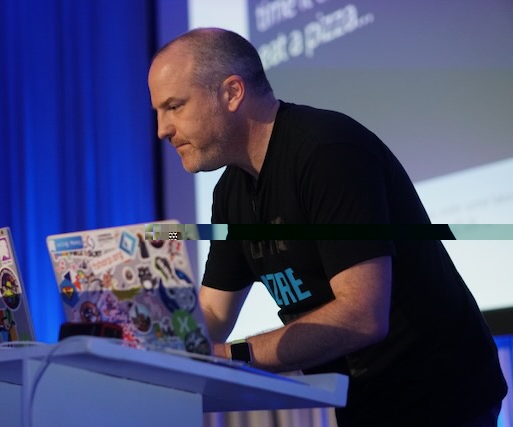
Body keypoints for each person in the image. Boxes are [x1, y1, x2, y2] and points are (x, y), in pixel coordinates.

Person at [147, 27, 507, 426]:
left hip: (441, 399)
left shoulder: (328, 152)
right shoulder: (231, 190)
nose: (162, 129)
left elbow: (361, 316)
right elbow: (213, 312)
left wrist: (233, 355)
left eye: (174, 106)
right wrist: (146, 339)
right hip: (364, 403)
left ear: (232, 93)